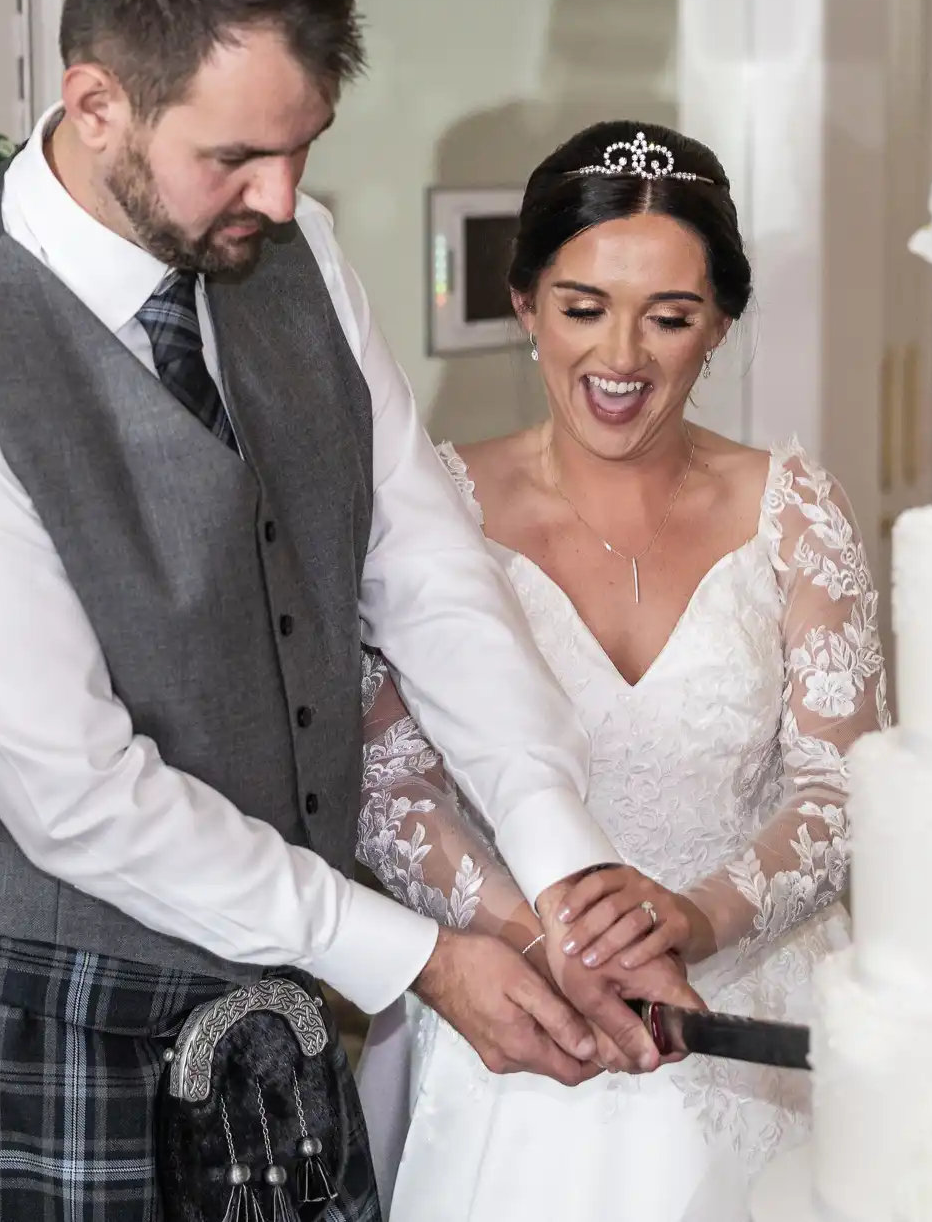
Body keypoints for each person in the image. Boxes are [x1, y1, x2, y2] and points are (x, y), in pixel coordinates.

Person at [0, 0, 692, 1219]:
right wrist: (422, 957)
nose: (283, 196)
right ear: (96, 104)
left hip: (269, 1041)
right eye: (237, 157)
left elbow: (424, 572)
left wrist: (564, 871)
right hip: (28, 1044)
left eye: (305, 145)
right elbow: (78, 794)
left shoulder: (297, 251)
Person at [354, 121, 891, 1221]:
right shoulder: (431, 510)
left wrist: (694, 917)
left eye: (670, 317)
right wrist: (539, 930)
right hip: (528, 1015)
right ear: (524, 305)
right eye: (582, 307)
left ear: (719, 326)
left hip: (750, 1020)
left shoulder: (794, 508)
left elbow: (843, 791)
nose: (620, 358)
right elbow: (391, 790)